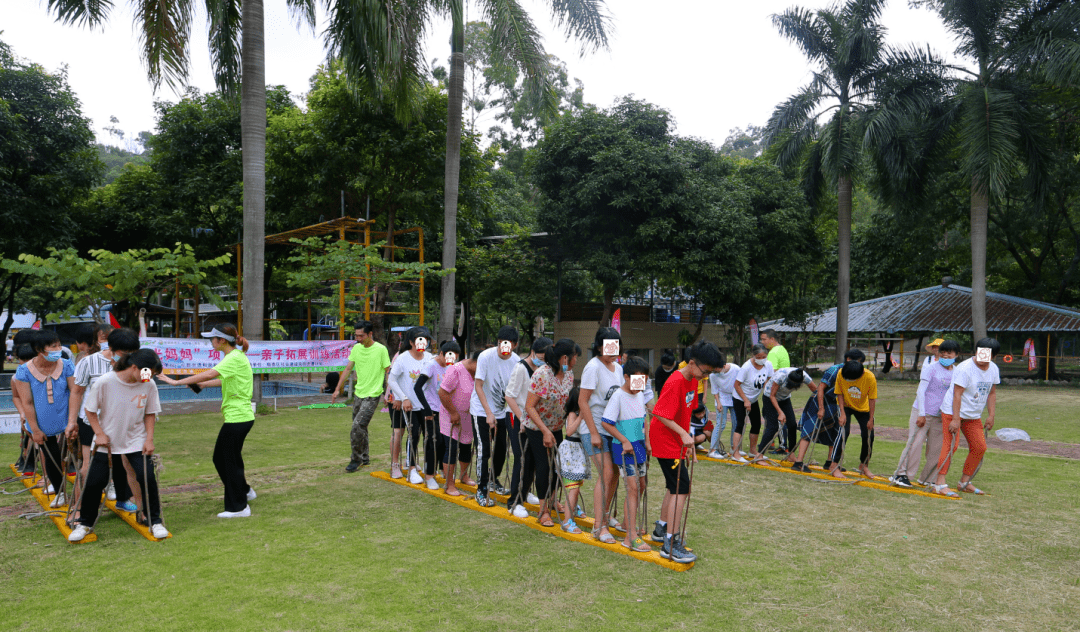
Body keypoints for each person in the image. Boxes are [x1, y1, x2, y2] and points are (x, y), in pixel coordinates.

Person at [68, 349, 169, 542]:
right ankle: (85, 523)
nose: (149, 377)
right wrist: (99, 433)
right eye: (147, 372)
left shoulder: (148, 383)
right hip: (108, 442)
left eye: (153, 374)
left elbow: (150, 413)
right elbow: (89, 410)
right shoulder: (106, 381)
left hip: (136, 440)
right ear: (134, 367)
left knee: (146, 477)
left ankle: (155, 521)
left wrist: (149, 439)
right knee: (95, 481)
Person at [157, 324, 255, 518]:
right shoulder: (234, 358)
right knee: (225, 458)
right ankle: (244, 491)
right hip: (240, 417)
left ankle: (239, 507)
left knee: (228, 461)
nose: (211, 341)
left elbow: (211, 373)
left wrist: (175, 381)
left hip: (238, 418)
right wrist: (200, 383)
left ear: (222, 341)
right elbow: (223, 379)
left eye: (213, 338)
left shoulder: (233, 358)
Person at [649, 339, 721, 564]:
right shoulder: (677, 380)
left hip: (676, 439)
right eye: (705, 371)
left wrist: (687, 441)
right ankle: (671, 541)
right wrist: (682, 434)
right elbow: (659, 412)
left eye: (709, 374)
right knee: (681, 487)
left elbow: (684, 414)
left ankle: (661, 529)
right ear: (692, 363)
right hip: (664, 439)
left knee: (675, 485)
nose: (705, 376)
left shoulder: (692, 381)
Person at [67, 327, 141, 513]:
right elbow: (77, 391)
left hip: (125, 422)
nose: (128, 357)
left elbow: (147, 387)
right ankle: (79, 508)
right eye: (125, 353)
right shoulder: (88, 362)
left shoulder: (140, 362)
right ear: (112, 347)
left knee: (125, 465)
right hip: (92, 422)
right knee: (88, 468)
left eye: (133, 353)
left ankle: (124, 499)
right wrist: (71, 421)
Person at [11, 329, 76, 508]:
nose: (58, 349)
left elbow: (74, 392)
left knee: (77, 457)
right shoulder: (24, 370)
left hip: (68, 417)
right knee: (51, 457)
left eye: (58, 344)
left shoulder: (67, 364)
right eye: (53, 346)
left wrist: (73, 420)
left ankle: (87, 493)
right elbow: (27, 402)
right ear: (40, 350)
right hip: (42, 422)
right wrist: (35, 429)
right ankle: (60, 491)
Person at [932, 338, 1001, 497]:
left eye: (988, 356)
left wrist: (991, 415)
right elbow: (957, 394)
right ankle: (939, 484)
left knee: (979, 447)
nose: (983, 359)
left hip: (972, 415)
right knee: (951, 446)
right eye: (980, 354)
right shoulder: (965, 368)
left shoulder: (994, 369)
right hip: (952, 411)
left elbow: (992, 393)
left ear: (993, 356)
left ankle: (964, 482)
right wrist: (956, 419)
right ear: (976, 352)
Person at [524, 338, 578, 529]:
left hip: (556, 427)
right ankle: (543, 511)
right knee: (544, 467)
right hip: (537, 427)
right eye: (575, 357)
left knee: (557, 466)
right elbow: (529, 406)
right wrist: (545, 431)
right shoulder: (542, 375)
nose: (576, 361)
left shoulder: (569, 375)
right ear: (565, 358)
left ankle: (553, 500)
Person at [600, 355, 652, 552]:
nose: (641, 385)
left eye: (645, 382)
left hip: (638, 446)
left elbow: (643, 418)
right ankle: (631, 537)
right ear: (627, 377)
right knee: (632, 487)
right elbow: (606, 422)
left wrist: (646, 441)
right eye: (639, 380)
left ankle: (625, 523)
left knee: (641, 485)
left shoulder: (639, 394)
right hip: (623, 448)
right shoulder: (619, 396)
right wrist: (623, 440)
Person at [579, 327, 625, 544]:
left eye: (616, 346)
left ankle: (604, 517)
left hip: (611, 429)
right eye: (608, 346)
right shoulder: (593, 367)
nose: (612, 350)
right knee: (606, 473)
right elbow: (582, 402)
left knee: (614, 474)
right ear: (599, 346)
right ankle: (599, 526)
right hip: (594, 429)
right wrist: (594, 432)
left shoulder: (617, 369)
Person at [890, 339, 954, 488]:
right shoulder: (931, 367)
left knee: (936, 448)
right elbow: (921, 390)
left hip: (941, 416)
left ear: (956, 354)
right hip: (923, 412)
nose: (945, 355)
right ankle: (901, 474)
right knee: (915, 444)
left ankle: (928, 478)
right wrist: (922, 413)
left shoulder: (957, 372)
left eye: (949, 353)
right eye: (942, 352)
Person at [790, 349, 865, 476]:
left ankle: (830, 462)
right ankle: (798, 463)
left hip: (835, 404)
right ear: (848, 359)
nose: (860, 364)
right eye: (859, 361)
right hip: (819, 402)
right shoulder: (834, 370)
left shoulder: (854, 372)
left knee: (836, 432)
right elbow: (820, 388)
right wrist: (821, 408)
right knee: (809, 430)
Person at [332, 320, 391, 473]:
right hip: (359, 393)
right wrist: (337, 389)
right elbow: (348, 368)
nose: (358, 338)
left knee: (357, 426)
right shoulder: (356, 349)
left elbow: (388, 371)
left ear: (370, 334)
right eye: (356, 335)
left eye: (361, 335)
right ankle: (364, 458)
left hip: (373, 395)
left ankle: (355, 460)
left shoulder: (381, 349)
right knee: (361, 428)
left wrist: (389, 392)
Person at [470, 325, 520, 507]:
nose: (504, 347)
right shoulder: (485, 357)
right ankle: (481, 490)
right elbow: (478, 386)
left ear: (514, 345)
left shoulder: (515, 361)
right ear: (498, 342)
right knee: (484, 450)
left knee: (501, 450)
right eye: (501, 343)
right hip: (481, 410)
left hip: (502, 411)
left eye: (508, 344)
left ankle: (493, 480)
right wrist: (488, 413)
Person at [503, 337, 550, 518]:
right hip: (517, 417)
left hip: (533, 419)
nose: (543, 360)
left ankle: (525, 491)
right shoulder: (521, 368)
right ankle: (514, 502)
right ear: (532, 352)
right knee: (522, 458)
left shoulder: (543, 369)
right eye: (540, 356)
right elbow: (509, 396)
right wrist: (522, 419)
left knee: (532, 458)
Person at [388, 326, 434, 486]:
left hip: (426, 404)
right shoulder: (402, 358)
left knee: (427, 436)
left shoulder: (430, 358)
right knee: (410, 434)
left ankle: (418, 464)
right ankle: (408, 468)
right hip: (407, 404)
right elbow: (391, 380)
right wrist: (403, 398)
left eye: (425, 340)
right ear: (411, 342)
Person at [414, 339, 461, 486]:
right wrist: (427, 409)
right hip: (432, 410)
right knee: (434, 442)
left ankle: (442, 469)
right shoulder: (431, 366)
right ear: (441, 353)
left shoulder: (451, 367)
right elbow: (417, 388)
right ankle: (429, 475)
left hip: (445, 410)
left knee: (446, 443)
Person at [438, 350, 481, 497]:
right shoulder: (456, 369)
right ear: (474, 361)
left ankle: (463, 475)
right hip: (451, 415)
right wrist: (453, 413)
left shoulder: (480, 372)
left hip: (468, 416)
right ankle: (449, 484)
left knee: (466, 447)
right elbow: (442, 393)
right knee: (451, 448)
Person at [755, 367, 817, 460]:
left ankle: (791, 454)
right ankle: (759, 455)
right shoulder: (781, 376)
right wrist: (780, 412)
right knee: (773, 426)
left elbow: (816, 391)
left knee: (792, 425)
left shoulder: (804, 377)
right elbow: (772, 396)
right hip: (769, 397)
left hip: (785, 399)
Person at [729, 344, 773, 464]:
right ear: (753, 356)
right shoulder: (746, 367)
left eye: (764, 356)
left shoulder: (768, 364)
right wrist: (745, 400)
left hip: (753, 399)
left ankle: (753, 451)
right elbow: (736, 385)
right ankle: (735, 453)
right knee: (740, 424)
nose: (762, 359)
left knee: (756, 424)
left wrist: (767, 392)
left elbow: (768, 380)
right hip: (739, 398)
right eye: (759, 356)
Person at [836, 359, 879, 479]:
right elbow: (839, 393)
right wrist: (842, 413)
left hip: (863, 408)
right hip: (845, 405)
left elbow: (872, 399)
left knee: (869, 435)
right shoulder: (841, 372)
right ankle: (835, 465)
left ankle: (864, 465)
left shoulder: (869, 377)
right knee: (844, 432)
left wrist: (871, 419)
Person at [556, 387, 587, 533]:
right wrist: (581, 417)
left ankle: (573, 508)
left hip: (578, 454)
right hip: (570, 453)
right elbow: (569, 431)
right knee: (573, 488)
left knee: (575, 486)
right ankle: (567, 522)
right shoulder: (572, 414)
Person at [707, 357, 738, 459]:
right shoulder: (713, 375)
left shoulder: (736, 369)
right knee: (721, 423)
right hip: (721, 398)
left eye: (717, 369)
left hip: (735, 397)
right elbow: (715, 390)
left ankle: (734, 448)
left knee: (736, 423)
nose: (715, 372)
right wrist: (718, 402)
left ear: (723, 366)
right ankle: (713, 449)